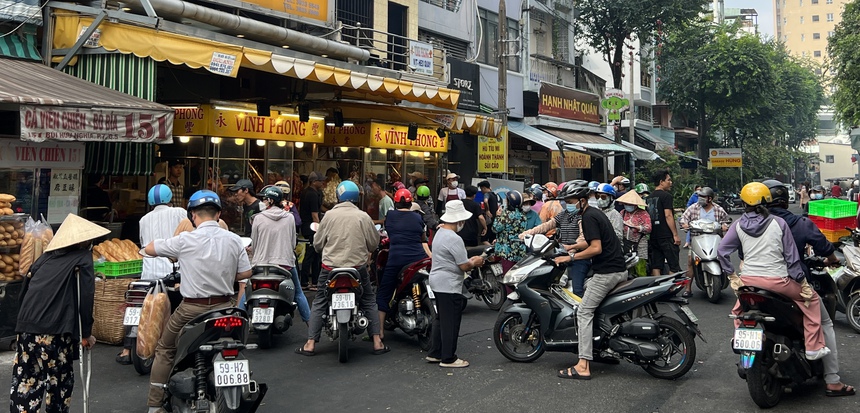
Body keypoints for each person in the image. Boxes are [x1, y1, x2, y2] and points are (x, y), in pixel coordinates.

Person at [144, 190, 253, 412]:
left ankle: (155, 405)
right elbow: (245, 273)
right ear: (219, 214)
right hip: (226, 308)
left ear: (192, 215)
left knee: (165, 348)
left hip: (192, 309)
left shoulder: (185, 240)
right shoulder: (233, 240)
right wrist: (222, 273)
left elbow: (150, 248)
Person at [763, 180, 855, 397]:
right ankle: (832, 380)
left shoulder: (752, 224)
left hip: (755, 283)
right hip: (791, 283)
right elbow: (823, 246)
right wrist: (831, 259)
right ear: (786, 200)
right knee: (824, 322)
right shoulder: (798, 223)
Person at [718, 182, 830, 362]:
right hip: (778, 282)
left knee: (739, 310)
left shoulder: (737, 225)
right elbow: (791, 258)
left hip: (748, 282)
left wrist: (732, 275)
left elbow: (722, 251)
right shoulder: (779, 223)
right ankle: (813, 347)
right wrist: (802, 283)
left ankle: (739, 336)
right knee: (813, 301)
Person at [10, 214, 108, 413]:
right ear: (84, 241)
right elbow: (86, 297)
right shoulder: (82, 258)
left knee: (27, 381)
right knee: (59, 382)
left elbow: (25, 290)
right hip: (54, 330)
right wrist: (86, 333)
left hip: (27, 326)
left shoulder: (44, 259)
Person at [296, 181, 388, 356]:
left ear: (339, 196)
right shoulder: (363, 216)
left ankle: (310, 344)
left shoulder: (329, 216)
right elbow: (373, 243)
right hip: (357, 268)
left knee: (320, 301)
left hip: (330, 268)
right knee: (368, 299)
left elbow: (317, 244)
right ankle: (377, 342)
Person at [553, 182, 626, 380]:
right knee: (589, 299)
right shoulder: (594, 213)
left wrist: (570, 258)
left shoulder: (588, 217)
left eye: (570, 202)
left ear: (582, 200)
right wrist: (570, 247)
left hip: (607, 273)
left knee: (583, 312)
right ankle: (600, 348)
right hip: (617, 269)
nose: (568, 205)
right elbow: (592, 240)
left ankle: (583, 365)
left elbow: (596, 248)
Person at [116, 184, 186, 365]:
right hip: (172, 271)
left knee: (141, 309)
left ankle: (127, 349)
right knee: (173, 311)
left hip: (148, 272)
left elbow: (143, 244)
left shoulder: (144, 219)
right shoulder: (179, 212)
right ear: (170, 197)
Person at [426, 200, 486, 368]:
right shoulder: (453, 238)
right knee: (451, 321)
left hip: (438, 280)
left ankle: (436, 352)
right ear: (459, 220)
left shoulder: (439, 232)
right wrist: (476, 262)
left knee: (441, 319)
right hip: (449, 283)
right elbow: (464, 265)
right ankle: (448, 358)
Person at [249, 186, 310, 325]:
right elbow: (292, 243)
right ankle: (311, 327)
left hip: (261, 264)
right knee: (299, 293)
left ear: (270, 201)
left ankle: (239, 322)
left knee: (247, 293)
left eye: (264, 199)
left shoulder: (258, 218)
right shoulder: (289, 218)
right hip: (285, 264)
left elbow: (255, 242)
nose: (263, 201)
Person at [376, 189, 431, 339]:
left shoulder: (390, 216)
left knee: (384, 292)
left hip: (396, 259)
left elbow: (389, 232)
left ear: (395, 202)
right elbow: (423, 237)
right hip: (419, 259)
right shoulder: (417, 217)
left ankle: (379, 332)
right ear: (410, 202)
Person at [520, 181, 588, 297]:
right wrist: (527, 233)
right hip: (562, 255)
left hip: (579, 258)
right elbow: (546, 225)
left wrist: (572, 249)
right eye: (566, 202)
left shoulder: (582, 216)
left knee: (577, 290)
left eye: (570, 202)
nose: (567, 205)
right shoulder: (563, 214)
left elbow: (582, 237)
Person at [679, 187, 730, 297]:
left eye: (703, 197)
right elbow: (683, 219)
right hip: (697, 240)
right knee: (690, 262)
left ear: (710, 198)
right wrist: (684, 224)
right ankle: (688, 289)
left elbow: (726, 220)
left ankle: (729, 279)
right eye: (699, 197)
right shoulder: (693, 208)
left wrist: (725, 226)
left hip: (715, 240)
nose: (700, 199)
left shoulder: (718, 209)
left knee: (724, 258)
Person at [648, 170, 681, 275]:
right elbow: (668, 215)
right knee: (673, 264)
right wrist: (675, 235)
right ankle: (671, 288)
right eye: (669, 180)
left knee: (656, 264)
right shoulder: (666, 196)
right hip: (665, 235)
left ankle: (657, 287)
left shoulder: (649, 198)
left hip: (653, 235)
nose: (670, 183)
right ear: (661, 182)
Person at [300, 171, 325, 290]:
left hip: (306, 226)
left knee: (314, 255)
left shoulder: (306, 192)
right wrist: (321, 231)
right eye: (320, 181)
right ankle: (306, 282)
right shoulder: (312, 195)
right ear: (314, 182)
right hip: (312, 227)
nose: (322, 182)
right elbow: (315, 215)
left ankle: (313, 281)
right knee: (311, 255)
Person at [617, 190, 651, 277]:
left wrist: (638, 228)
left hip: (640, 243)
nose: (628, 205)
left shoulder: (643, 213)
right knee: (628, 267)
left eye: (630, 204)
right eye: (627, 203)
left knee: (640, 267)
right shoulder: (622, 213)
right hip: (626, 243)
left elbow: (649, 228)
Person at [493, 191, 527, 272]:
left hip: (507, 250)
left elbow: (495, 229)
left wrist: (497, 216)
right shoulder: (523, 215)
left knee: (508, 276)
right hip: (520, 249)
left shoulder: (506, 215)